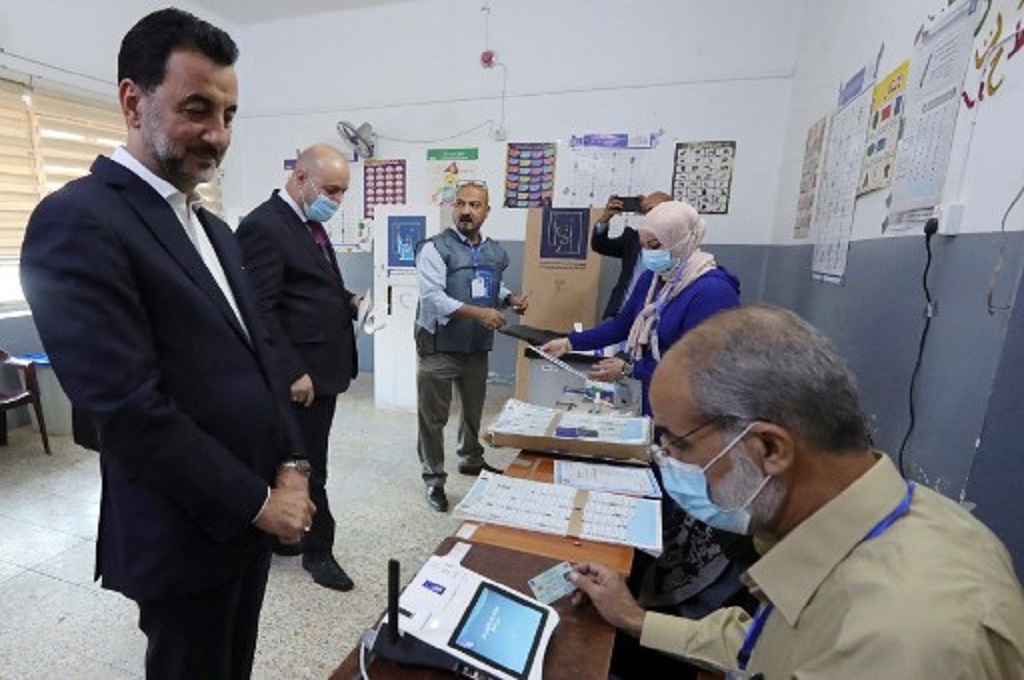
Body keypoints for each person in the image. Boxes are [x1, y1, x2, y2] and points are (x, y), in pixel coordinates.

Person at [20, 9, 315, 678]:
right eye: (197, 109)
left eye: (230, 114)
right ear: (133, 101)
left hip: (253, 513)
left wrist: (293, 465)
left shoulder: (211, 229)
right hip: (186, 526)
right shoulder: (77, 221)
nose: (219, 134)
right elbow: (126, 409)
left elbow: (263, 356)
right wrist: (257, 502)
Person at [570, 305, 1024, 678]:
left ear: (769, 448)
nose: (668, 460)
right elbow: (766, 643)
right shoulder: (880, 517)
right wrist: (634, 618)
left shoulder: (900, 640)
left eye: (679, 444)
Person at [236, 143, 359, 592]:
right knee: (308, 466)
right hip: (300, 376)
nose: (337, 200)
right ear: (301, 177)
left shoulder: (307, 224)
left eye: (343, 192)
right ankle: (319, 551)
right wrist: (291, 370)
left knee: (299, 456)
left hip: (323, 368)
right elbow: (259, 308)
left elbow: (312, 287)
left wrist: (351, 301)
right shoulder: (264, 226)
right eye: (332, 190)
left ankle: (286, 535)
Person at [542, 200, 740, 417]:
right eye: (643, 246)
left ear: (681, 242)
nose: (648, 254)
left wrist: (630, 369)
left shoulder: (712, 291)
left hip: (691, 406)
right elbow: (622, 325)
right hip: (654, 394)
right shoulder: (653, 279)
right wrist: (570, 342)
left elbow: (700, 367)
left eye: (654, 246)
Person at [415, 182, 528, 512]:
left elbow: (491, 284)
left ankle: (470, 458)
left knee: (472, 410)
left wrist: (509, 298)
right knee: (433, 418)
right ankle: (434, 478)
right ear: (453, 208)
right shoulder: (434, 248)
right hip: (439, 345)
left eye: (475, 205)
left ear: (486, 211)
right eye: (461, 204)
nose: (466, 211)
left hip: (476, 345)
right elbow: (432, 298)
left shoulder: (494, 251)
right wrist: (480, 313)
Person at [591, 191, 671, 319]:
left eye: (655, 210)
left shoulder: (678, 243)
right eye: (649, 210)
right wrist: (606, 217)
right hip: (622, 312)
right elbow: (600, 246)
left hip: (655, 315)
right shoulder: (633, 238)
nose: (652, 215)